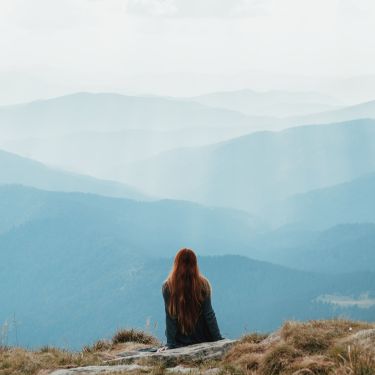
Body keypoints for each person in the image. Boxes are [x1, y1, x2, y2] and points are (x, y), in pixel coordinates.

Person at [158, 248, 223, 352]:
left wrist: (170, 344)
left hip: (180, 341)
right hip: (203, 338)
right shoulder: (203, 284)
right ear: (195, 264)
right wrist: (218, 339)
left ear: (176, 264)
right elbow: (209, 315)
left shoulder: (168, 286)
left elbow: (171, 317)